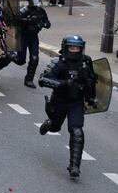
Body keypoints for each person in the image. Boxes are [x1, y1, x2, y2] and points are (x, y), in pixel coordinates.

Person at [38, 35, 97, 178]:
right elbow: (43, 80)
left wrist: (91, 96)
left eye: (77, 48)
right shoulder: (59, 63)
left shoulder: (85, 62)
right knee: (55, 127)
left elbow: (93, 80)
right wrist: (65, 84)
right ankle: (48, 124)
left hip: (76, 103)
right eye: (72, 47)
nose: (75, 50)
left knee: (77, 132)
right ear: (65, 48)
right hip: (59, 101)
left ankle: (74, 166)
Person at [14, 0, 51, 88]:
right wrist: (27, 21)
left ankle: (29, 79)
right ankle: (9, 56)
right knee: (20, 60)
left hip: (33, 37)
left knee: (34, 58)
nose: (36, 1)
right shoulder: (24, 11)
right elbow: (15, 22)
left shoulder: (41, 11)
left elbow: (47, 23)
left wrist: (41, 24)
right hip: (23, 36)